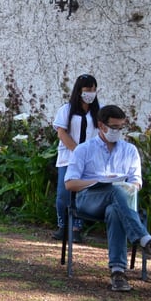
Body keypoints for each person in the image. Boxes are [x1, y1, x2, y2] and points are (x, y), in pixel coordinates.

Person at [65, 105, 151, 292]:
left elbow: (136, 183)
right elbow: (70, 184)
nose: (117, 131)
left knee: (115, 207)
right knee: (115, 190)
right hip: (89, 199)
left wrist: (126, 187)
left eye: (121, 128)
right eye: (114, 127)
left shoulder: (130, 151)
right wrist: (97, 181)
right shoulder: (83, 149)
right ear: (101, 125)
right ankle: (145, 239)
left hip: (120, 201)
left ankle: (118, 272)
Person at [52, 74, 101, 243]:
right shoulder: (66, 110)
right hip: (68, 158)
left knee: (82, 194)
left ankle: (77, 228)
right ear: (79, 90)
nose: (91, 93)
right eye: (88, 89)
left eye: (94, 89)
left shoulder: (97, 112)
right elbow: (61, 132)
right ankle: (62, 226)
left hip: (89, 161)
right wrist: (76, 150)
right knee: (63, 194)